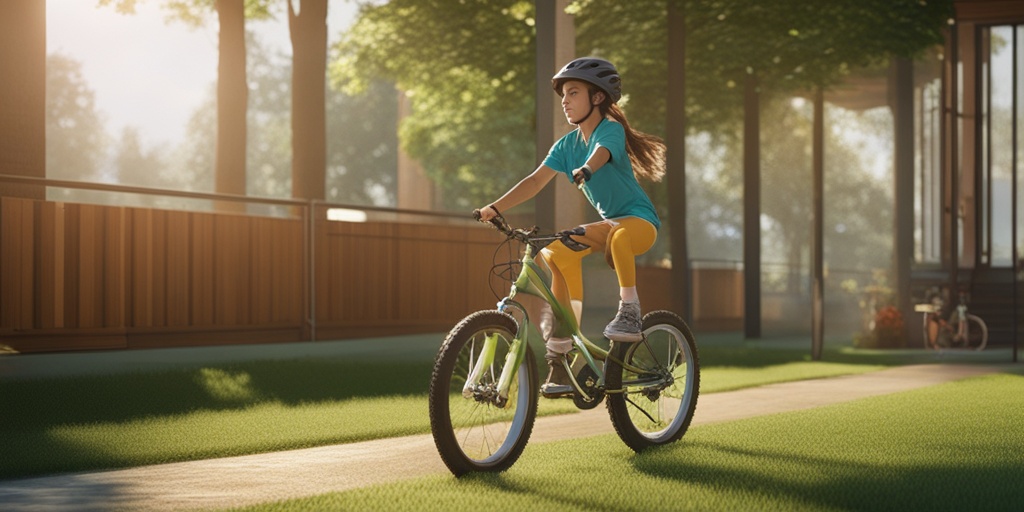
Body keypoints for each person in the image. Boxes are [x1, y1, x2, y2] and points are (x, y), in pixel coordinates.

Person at [475, 57, 666, 396]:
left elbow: (603, 152)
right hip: (609, 224)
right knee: (555, 253)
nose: (565, 100)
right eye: (563, 94)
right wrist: (494, 208)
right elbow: (534, 182)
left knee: (621, 236)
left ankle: (630, 310)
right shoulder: (566, 146)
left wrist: (588, 169)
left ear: (597, 98)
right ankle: (562, 355)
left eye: (573, 92)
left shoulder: (610, 129)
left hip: (638, 222)